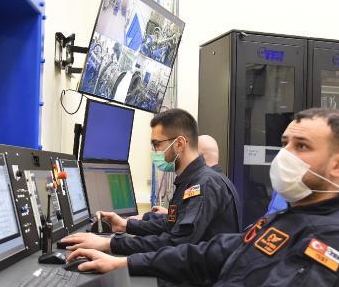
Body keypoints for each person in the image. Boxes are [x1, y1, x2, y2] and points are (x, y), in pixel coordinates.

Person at [66, 108, 339, 287]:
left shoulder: (334, 239)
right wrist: (123, 263)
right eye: (285, 144)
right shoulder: (288, 219)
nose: (285, 155)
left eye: (302, 146)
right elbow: (206, 253)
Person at [61, 108, 240, 255]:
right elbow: (171, 225)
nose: (154, 151)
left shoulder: (204, 185)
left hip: (198, 283)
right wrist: (125, 224)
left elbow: (175, 243)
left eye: (157, 144)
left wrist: (110, 244)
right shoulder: (191, 181)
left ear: (179, 144)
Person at [132, 134, 228, 221]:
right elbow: (190, 218)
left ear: (198, 156)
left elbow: (184, 231)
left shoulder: (206, 184)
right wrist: (169, 214)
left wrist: (131, 225)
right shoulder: (219, 181)